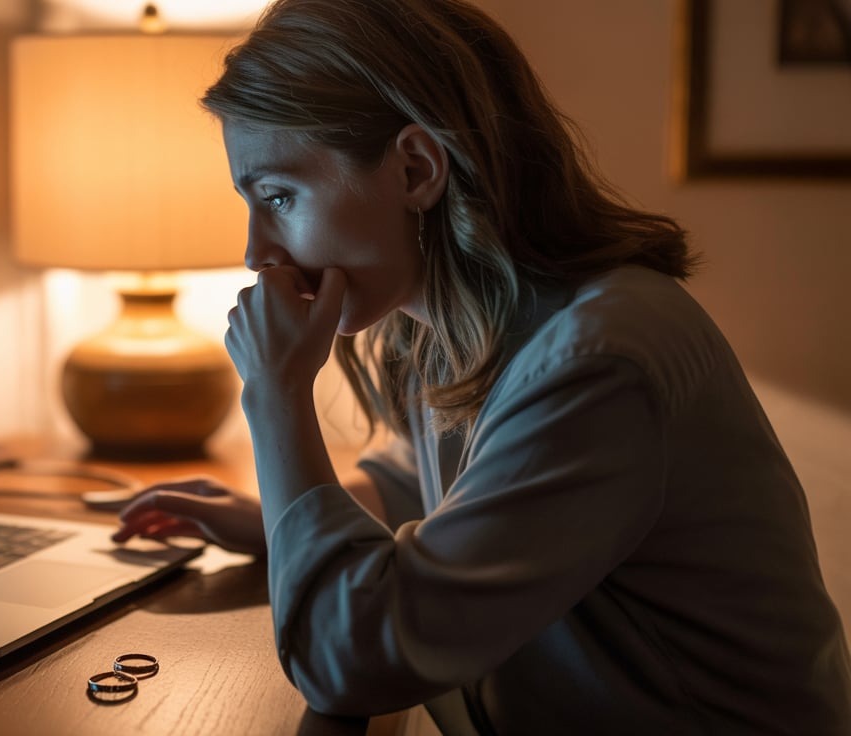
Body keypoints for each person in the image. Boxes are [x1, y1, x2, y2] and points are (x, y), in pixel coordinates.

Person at [109, 0, 851, 733]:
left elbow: (352, 663)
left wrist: (275, 398)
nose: (257, 252)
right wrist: (282, 519)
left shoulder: (597, 362)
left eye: (278, 195)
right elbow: (429, 480)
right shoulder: (468, 317)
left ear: (416, 168)